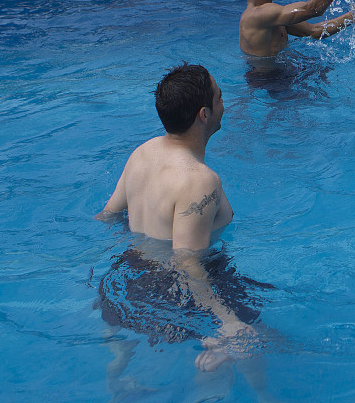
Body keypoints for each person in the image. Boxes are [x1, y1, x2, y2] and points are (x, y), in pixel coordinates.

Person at [97, 63, 262, 371]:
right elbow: (186, 259)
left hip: (129, 273)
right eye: (220, 98)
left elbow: (108, 215)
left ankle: (120, 379)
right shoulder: (199, 180)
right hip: (179, 287)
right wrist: (227, 320)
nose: (224, 106)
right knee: (256, 340)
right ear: (204, 114)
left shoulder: (142, 152)